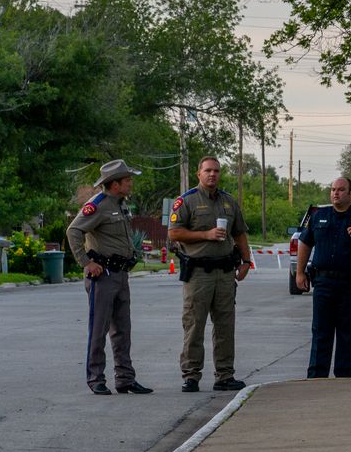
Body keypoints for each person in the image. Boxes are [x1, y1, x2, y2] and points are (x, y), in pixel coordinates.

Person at [65, 159, 152, 396]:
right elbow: (73, 231)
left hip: (120, 274)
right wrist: (86, 263)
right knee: (99, 328)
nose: (130, 183)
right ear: (114, 184)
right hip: (102, 276)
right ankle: (96, 378)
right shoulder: (98, 205)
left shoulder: (121, 204)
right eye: (127, 180)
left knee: (122, 329)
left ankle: (125, 378)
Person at [167, 156, 252, 392]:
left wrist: (246, 261)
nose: (212, 174)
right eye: (207, 171)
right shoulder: (186, 201)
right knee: (194, 324)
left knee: (225, 325)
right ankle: (191, 375)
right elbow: (174, 234)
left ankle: (225, 375)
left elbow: (240, 234)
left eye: (216, 171)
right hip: (198, 273)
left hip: (225, 272)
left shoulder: (229, 202)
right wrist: (205, 235)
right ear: (199, 174)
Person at [295, 176, 351, 377]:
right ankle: (316, 374)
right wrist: (299, 272)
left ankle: (344, 373)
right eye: (333, 189)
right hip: (323, 282)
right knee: (321, 330)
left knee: (348, 332)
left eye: (341, 190)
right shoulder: (319, 215)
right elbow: (305, 243)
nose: (336, 193)